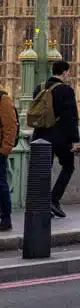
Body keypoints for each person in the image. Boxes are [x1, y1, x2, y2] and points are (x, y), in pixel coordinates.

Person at [29, 59, 80, 218]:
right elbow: (71, 117)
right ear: (64, 72)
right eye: (68, 72)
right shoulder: (66, 90)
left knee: (44, 169)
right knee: (68, 166)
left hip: (40, 136)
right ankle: (54, 199)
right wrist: (73, 139)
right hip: (59, 137)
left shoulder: (40, 87)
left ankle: (42, 204)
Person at [0, 83, 17, 231]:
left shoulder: (3, 99)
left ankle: (6, 218)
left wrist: (4, 150)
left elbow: (11, 127)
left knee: (1, 184)